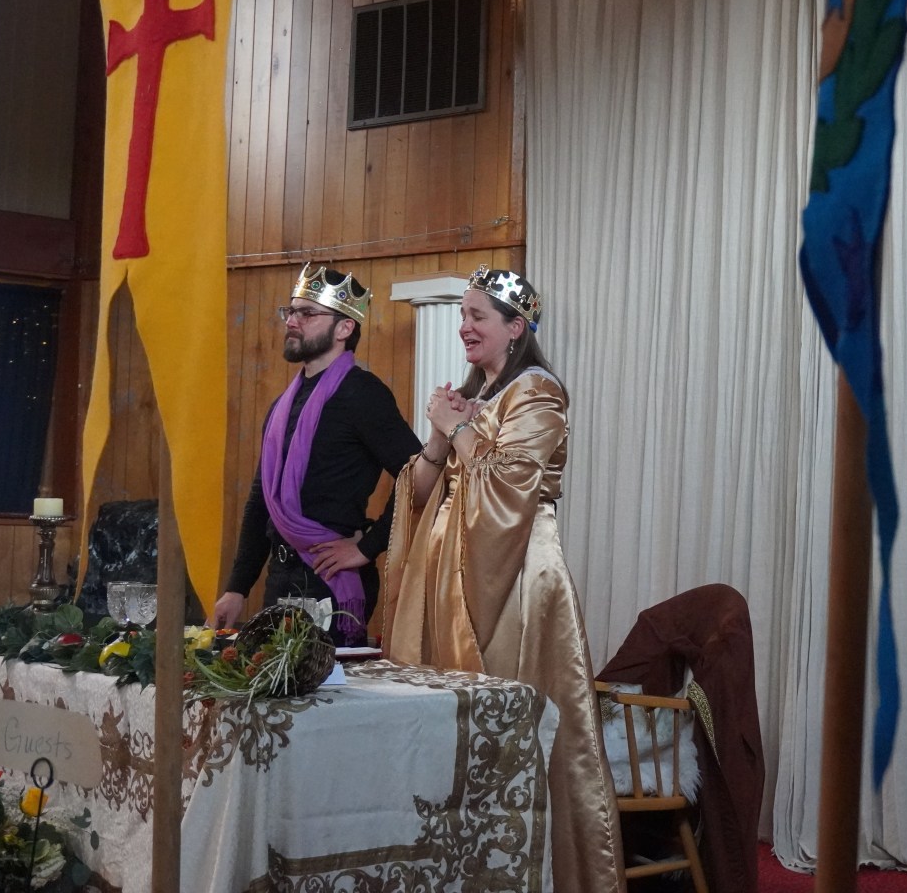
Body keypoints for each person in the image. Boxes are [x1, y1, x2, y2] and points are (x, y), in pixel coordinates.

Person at [381, 264, 624, 893]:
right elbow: (422, 493)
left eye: (477, 316)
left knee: (506, 721)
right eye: (462, 315)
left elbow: (509, 486)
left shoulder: (537, 392)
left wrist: (457, 427)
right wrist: (440, 437)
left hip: (511, 578)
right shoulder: (476, 398)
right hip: (450, 578)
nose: (464, 326)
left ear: (516, 328)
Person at [212, 263, 421, 644]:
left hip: (330, 577)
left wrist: (367, 547)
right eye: (290, 311)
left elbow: (419, 474)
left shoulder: (363, 394)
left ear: (344, 328)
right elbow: (261, 501)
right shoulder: (282, 405)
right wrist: (238, 587)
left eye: (307, 313)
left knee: (324, 683)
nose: (292, 321)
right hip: (280, 576)